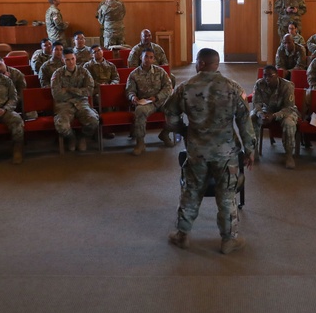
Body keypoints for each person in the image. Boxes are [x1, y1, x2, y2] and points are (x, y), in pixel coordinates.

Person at [165, 48, 255, 255]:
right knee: (226, 195)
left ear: (202, 63)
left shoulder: (185, 87)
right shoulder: (233, 88)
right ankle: (228, 240)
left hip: (196, 151)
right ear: (217, 63)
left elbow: (170, 115)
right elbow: (244, 120)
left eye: (197, 61)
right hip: (226, 154)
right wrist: (250, 148)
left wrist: (184, 132)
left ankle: (182, 235)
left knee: (191, 190)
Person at [125, 49, 174, 155]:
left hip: (160, 100)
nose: (148, 59)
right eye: (146, 56)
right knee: (139, 111)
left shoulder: (160, 71)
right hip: (146, 103)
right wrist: (132, 97)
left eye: (151, 57)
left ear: (153, 59)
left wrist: (157, 97)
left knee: (174, 109)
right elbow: (130, 90)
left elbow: (168, 87)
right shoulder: (134, 74)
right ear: (141, 58)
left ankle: (165, 134)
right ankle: (140, 143)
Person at [50, 47, 99, 152]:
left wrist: (68, 89)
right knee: (61, 125)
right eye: (67, 59)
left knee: (93, 121)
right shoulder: (57, 74)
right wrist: (79, 92)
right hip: (64, 105)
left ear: (75, 58)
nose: (71, 62)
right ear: (63, 60)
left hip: (82, 103)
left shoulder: (84, 72)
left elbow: (89, 90)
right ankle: (71, 138)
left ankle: (81, 136)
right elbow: (57, 95)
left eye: (72, 59)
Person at [250, 65, 299, 168]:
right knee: (252, 117)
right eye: (265, 75)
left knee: (289, 123)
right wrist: (261, 114)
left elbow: (288, 108)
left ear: (277, 75)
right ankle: (253, 150)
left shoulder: (287, 86)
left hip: (286, 111)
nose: (267, 78)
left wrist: (274, 116)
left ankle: (289, 155)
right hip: (267, 110)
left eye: (270, 75)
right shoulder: (259, 84)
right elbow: (256, 104)